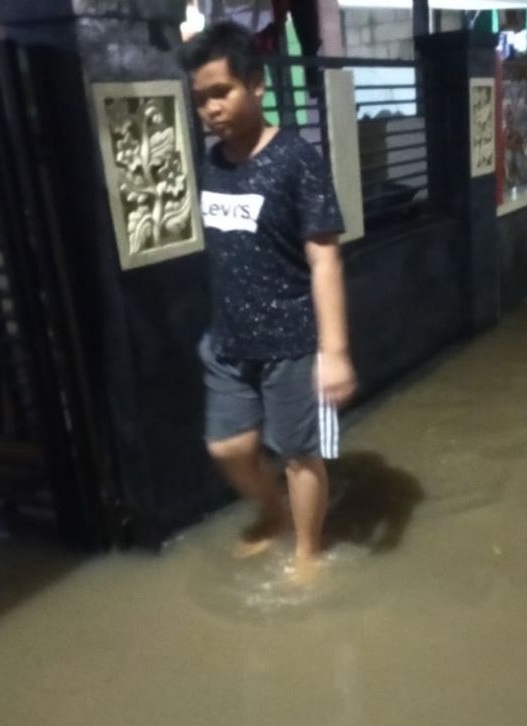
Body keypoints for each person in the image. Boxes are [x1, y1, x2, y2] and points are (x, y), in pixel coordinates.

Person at [181, 22, 357, 581]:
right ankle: (274, 512)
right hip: (229, 341)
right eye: (202, 98)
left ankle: (308, 552)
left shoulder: (296, 160)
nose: (211, 109)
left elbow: (324, 258)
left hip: (292, 343)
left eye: (221, 92)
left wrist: (334, 350)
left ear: (255, 85)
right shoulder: (211, 164)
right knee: (227, 447)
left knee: (301, 455)